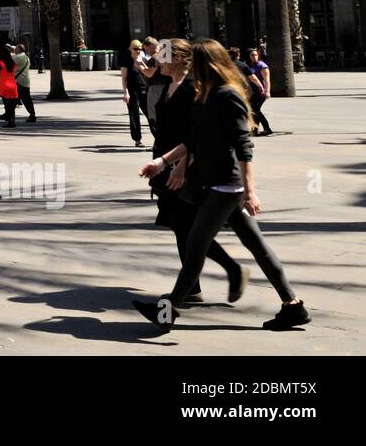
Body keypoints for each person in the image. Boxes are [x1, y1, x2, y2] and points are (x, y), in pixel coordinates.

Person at [136, 39, 308, 331]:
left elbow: (243, 146)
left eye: (198, 64)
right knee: (257, 246)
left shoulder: (227, 96)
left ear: (207, 64)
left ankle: (166, 312)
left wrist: (250, 191)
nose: (193, 70)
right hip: (217, 184)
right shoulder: (207, 95)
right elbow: (192, 140)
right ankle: (293, 306)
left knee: (194, 247)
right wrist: (162, 163)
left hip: (226, 187)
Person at [145, 38, 245, 306]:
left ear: (177, 58)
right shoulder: (168, 84)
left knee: (188, 227)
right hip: (166, 162)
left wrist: (179, 165)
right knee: (182, 227)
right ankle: (197, 286)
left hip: (187, 166)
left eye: (162, 55)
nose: (157, 59)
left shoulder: (192, 88)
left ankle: (224, 273)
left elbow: (196, 134)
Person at [119, 38, 149, 147]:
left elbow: (148, 73)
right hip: (132, 90)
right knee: (134, 114)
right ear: (131, 49)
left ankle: (157, 136)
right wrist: (125, 92)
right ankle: (137, 139)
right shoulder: (126, 60)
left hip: (144, 88)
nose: (138, 51)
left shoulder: (143, 59)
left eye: (140, 49)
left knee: (150, 113)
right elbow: (124, 78)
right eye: (135, 49)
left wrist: (142, 64)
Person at [245, 48, 273, 136]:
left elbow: (267, 80)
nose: (255, 57)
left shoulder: (262, 66)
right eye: (252, 55)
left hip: (261, 92)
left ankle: (267, 128)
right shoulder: (248, 66)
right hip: (251, 92)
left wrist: (267, 91)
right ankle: (255, 129)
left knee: (255, 110)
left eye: (256, 55)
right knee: (254, 110)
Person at [11, 44, 36, 123]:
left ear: (20, 50)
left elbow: (9, 61)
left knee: (15, 99)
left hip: (19, 81)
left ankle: (10, 116)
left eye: (16, 49)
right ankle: (32, 114)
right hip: (25, 80)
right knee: (27, 99)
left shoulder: (19, 57)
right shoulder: (26, 57)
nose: (15, 50)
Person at [0, 49, 19, 127]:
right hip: (13, 84)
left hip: (4, 84)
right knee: (12, 105)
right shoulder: (13, 63)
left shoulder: (0, 63)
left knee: (7, 104)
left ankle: (8, 119)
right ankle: (12, 121)